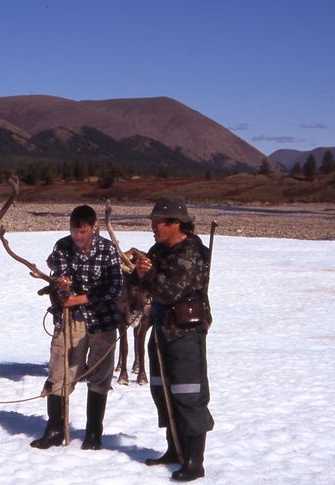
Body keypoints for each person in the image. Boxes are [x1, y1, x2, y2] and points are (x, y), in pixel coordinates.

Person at [30, 205, 124, 450]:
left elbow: (114, 287)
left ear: (94, 228)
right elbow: (61, 279)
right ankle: (55, 430)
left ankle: (94, 432)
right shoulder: (62, 247)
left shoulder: (108, 249)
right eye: (74, 231)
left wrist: (83, 298)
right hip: (71, 321)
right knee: (60, 371)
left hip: (102, 322)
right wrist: (62, 286)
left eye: (82, 232)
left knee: (100, 376)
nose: (78, 237)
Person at [133, 197, 214, 482]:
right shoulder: (158, 250)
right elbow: (146, 284)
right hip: (161, 330)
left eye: (158, 222)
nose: (153, 227)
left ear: (175, 223)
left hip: (185, 333)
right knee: (164, 390)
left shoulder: (192, 252)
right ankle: (174, 449)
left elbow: (169, 290)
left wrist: (146, 274)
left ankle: (194, 460)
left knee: (188, 393)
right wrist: (137, 269)